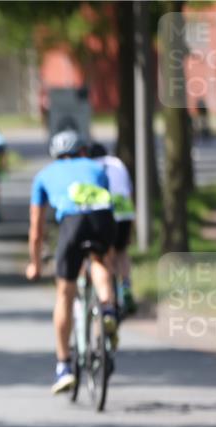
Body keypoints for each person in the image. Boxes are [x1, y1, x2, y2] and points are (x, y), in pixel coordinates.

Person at [27, 130, 118, 394]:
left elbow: (36, 229)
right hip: (102, 219)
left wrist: (35, 264)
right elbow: (107, 202)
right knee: (100, 261)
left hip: (72, 224)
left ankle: (64, 366)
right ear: (82, 151)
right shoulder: (96, 167)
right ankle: (108, 307)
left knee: (64, 294)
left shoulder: (44, 175)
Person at [88, 142, 137, 315]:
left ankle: (108, 300)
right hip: (125, 210)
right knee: (122, 251)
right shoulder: (117, 163)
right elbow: (128, 191)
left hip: (105, 212)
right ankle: (125, 286)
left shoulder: (90, 166)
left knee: (104, 257)